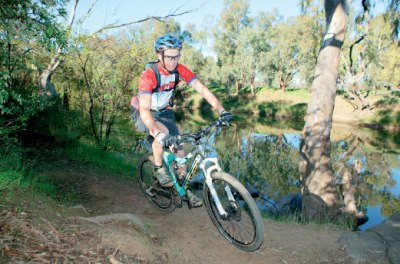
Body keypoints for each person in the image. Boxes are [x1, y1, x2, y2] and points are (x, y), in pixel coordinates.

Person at [132, 34, 232, 207]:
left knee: (180, 154)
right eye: (169, 57)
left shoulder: (179, 70)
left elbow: (203, 90)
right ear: (159, 55)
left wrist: (222, 111)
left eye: (177, 56)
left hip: (165, 112)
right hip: (143, 112)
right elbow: (145, 111)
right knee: (161, 134)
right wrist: (158, 133)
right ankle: (158, 168)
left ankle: (182, 189)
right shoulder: (149, 75)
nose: (173, 61)